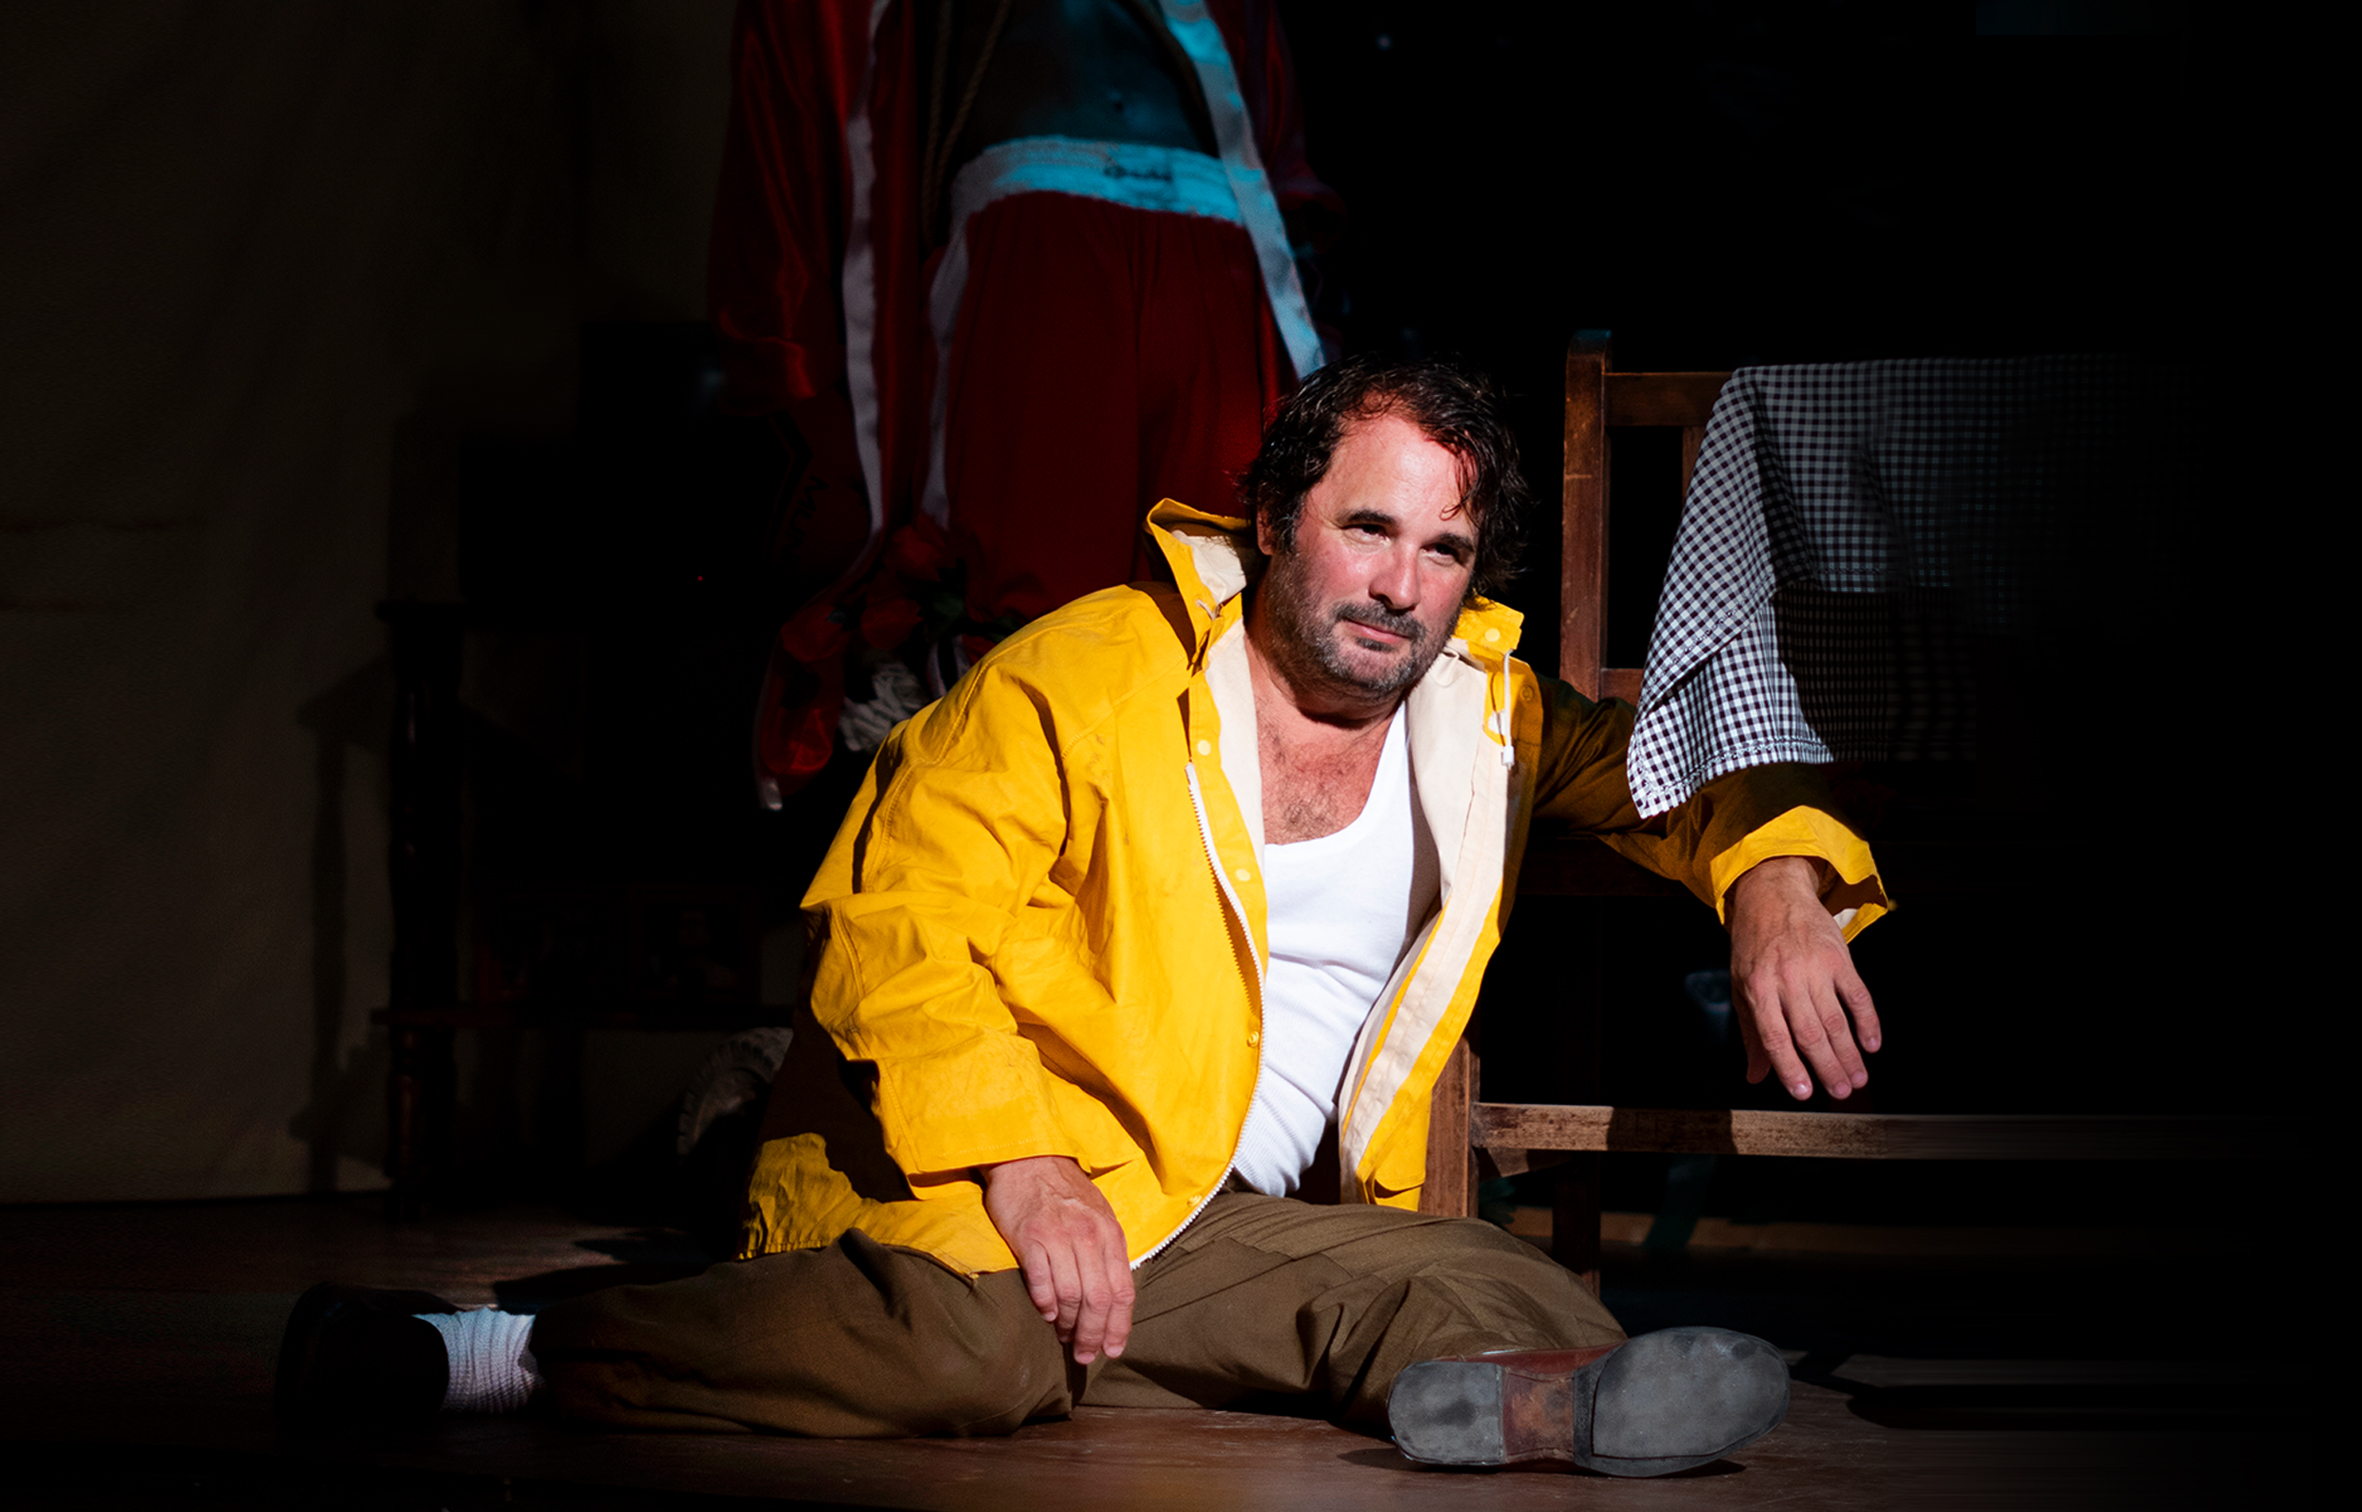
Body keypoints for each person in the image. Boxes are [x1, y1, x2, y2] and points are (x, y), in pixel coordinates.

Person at [281, 357, 1888, 1475]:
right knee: (977, 1354)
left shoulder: (1491, 719)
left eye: (1444, 548)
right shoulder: (1091, 670)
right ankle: (516, 1351)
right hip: (1003, 1160)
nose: (1402, 584)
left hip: (1227, 1221)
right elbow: (898, 918)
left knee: (1499, 1292)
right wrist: (1026, 1164)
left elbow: (1690, 779)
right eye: (1369, 527)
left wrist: (1774, 887)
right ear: (1277, 519)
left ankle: (1523, 1410)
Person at [725, 0, 1339, 802]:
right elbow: (790, 178)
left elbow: (1277, 142)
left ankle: (1191, 864)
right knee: (1033, 622)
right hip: (1030, 226)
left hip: (1225, 246)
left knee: (1221, 619)